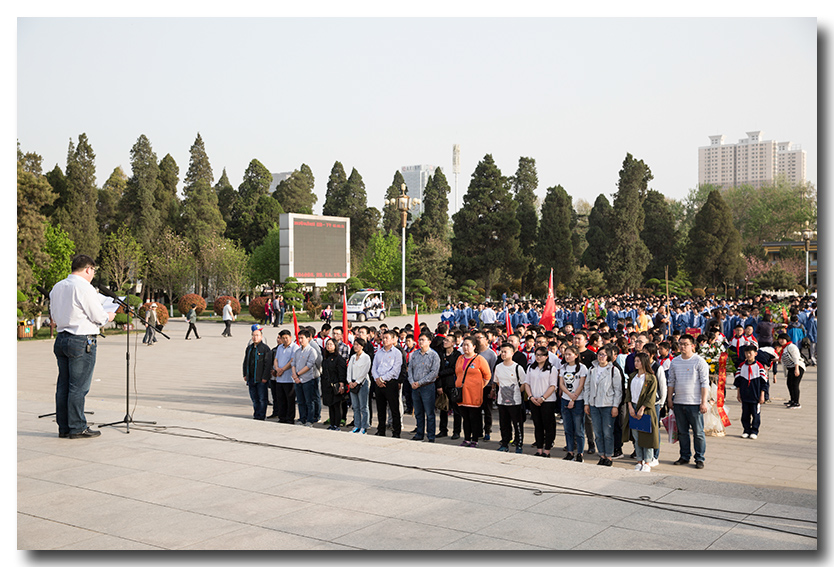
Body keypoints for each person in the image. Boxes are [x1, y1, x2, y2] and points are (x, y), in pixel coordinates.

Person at [50, 254, 117, 439]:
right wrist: (109, 316)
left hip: (62, 338)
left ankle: (64, 427)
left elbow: (54, 315)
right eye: (93, 271)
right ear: (88, 269)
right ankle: (78, 427)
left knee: (63, 386)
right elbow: (99, 317)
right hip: (81, 340)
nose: (93, 274)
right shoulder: (84, 287)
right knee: (78, 387)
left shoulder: (57, 286)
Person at [666, 334, 710, 469]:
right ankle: (684, 456)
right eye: (680, 344)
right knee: (682, 432)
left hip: (695, 403)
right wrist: (669, 398)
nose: (682, 347)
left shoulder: (699, 361)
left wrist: (703, 402)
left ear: (693, 346)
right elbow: (671, 381)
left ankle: (699, 458)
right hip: (679, 402)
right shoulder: (675, 361)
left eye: (685, 344)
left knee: (698, 433)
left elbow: (704, 383)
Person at [584, 344, 623, 466]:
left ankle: (609, 456)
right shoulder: (592, 369)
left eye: (603, 355)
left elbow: (618, 390)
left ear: (609, 356)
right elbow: (587, 387)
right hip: (594, 404)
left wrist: (615, 406)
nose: (601, 357)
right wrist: (586, 403)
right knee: (598, 432)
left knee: (607, 432)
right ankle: (601, 455)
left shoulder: (613, 370)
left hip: (608, 404)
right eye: (599, 354)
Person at [622, 352, 659, 472]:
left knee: (647, 437)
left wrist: (642, 408)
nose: (636, 363)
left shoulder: (651, 378)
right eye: (635, 361)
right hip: (633, 407)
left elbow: (651, 396)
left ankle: (647, 461)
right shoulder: (633, 376)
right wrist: (630, 407)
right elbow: (629, 393)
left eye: (638, 361)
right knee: (636, 437)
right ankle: (639, 460)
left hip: (646, 409)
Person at [455, 336, 492, 447]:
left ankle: (474, 439)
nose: (465, 347)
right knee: (465, 418)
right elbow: (457, 373)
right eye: (464, 345)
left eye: (468, 345)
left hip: (474, 394)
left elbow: (487, 376)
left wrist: (479, 386)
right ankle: (466, 438)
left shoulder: (479, 359)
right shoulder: (460, 358)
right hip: (462, 394)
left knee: (474, 418)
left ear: (474, 346)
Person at [526, 346, 559, 457]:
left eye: (541, 355)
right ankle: (539, 449)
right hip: (533, 400)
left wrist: (543, 398)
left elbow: (553, 385)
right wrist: (531, 397)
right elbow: (527, 383)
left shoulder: (551, 369)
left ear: (546, 357)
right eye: (537, 355)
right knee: (537, 425)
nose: (538, 357)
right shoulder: (531, 368)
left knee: (548, 425)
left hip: (548, 401)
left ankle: (547, 450)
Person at [494, 343, 527, 453]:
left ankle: (519, 444)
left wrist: (516, 392)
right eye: (501, 352)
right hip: (502, 401)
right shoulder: (498, 367)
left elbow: (524, 383)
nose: (503, 354)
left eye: (505, 352)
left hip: (515, 402)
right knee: (504, 424)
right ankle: (504, 443)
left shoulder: (518, 368)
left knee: (517, 424)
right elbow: (497, 382)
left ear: (512, 353)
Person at [408, 332, 441, 442]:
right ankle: (419, 433)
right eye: (419, 340)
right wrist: (412, 382)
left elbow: (433, 373)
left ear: (429, 342)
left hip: (427, 387)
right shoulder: (415, 354)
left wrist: (420, 382)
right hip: (415, 387)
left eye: (423, 340)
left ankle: (431, 436)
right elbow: (410, 369)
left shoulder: (434, 355)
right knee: (418, 412)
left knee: (429, 413)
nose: (420, 342)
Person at [559, 346, 589, 462]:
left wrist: (573, 398)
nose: (567, 356)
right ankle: (570, 452)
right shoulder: (563, 367)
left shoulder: (582, 368)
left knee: (579, 429)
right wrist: (568, 395)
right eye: (566, 354)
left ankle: (580, 453)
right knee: (568, 428)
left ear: (576, 355)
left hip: (578, 400)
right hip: (565, 399)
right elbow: (561, 384)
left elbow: (581, 385)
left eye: (570, 354)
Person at [372, 330, 404, 437]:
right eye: (383, 338)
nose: (384, 340)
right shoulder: (378, 353)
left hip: (390, 383)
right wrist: (377, 379)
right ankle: (381, 430)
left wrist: (383, 379)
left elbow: (395, 370)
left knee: (394, 408)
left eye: (387, 338)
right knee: (380, 409)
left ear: (393, 339)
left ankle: (396, 431)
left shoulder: (397, 353)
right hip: (378, 383)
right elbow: (374, 368)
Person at [734, 344, 768, 438]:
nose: (748, 355)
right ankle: (746, 430)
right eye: (746, 353)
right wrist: (738, 394)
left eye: (750, 353)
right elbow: (738, 381)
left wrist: (762, 395)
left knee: (755, 414)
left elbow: (764, 382)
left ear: (755, 354)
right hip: (745, 394)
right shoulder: (741, 366)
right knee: (745, 414)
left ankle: (754, 431)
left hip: (755, 394)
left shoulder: (759, 366)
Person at [243, 326, 273, 420]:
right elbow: (246, 362)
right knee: (254, 398)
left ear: (261, 337)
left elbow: (268, 364)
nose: (255, 337)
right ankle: (256, 414)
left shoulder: (265, 348)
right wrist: (245, 374)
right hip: (251, 378)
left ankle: (261, 415)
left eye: (257, 335)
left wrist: (265, 377)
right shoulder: (249, 348)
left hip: (261, 379)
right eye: (253, 335)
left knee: (262, 398)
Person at [291, 329, 320, 426]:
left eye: (302, 338)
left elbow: (309, 365)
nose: (300, 340)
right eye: (299, 338)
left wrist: (298, 374)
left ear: (308, 338)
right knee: (300, 401)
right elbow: (293, 364)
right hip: (297, 380)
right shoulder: (297, 351)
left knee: (309, 401)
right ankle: (302, 418)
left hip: (307, 379)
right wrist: (295, 376)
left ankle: (309, 420)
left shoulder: (312, 351)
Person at [437, 334, 462, 439]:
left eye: (447, 340)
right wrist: (439, 386)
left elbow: (454, 369)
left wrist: (441, 373)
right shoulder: (440, 354)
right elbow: (437, 369)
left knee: (456, 410)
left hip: (453, 385)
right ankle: (443, 430)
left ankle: (456, 431)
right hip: (442, 385)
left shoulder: (457, 355)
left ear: (453, 343)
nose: (444, 342)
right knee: (443, 408)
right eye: (444, 340)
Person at [320, 338, 348, 431]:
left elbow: (341, 373)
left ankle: (337, 424)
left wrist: (341, 385)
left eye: (331, 344)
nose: (329, 346)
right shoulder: (326, 358)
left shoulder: (339, 359)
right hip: (327, 385)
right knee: (330, 405)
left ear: (335, 346)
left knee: (337, 405)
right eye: (327, 344)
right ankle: (332, 424)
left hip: (336, 385)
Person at [271, 329, 297, 423]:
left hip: (289, 378)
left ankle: (290, 418)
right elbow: (276, 359)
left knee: (290, 400)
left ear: (290, 337)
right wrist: (277, 368)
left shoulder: (294, 347)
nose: (285, 340)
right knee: (280, 399)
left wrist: (282, 369)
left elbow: (292, 361)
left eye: (287, 338)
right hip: (279, 378)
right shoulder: (280, 347)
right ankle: (282, 417)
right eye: (283, 338)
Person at [347, 338, 372, 433]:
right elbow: (349, 370)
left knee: (363, 406)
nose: (355, 346)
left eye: (357, 345)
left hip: (362, 383)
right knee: (355, 406)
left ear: (362, 346)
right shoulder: (353, 357)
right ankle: (357, 425)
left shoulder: (366, 357)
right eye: (354, 344)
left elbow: (364, 371)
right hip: (352, 382)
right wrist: (349, 381)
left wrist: (357, 382)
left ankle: (364, 426)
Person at [778, 332, 806, 409]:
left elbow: (796, 358)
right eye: (780, 339)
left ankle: (796, 403)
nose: (781, 341)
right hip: (790, 368)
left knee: (795, 385)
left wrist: (797, 369)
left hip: (797, 367)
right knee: (789, 384)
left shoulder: (791, 347)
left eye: (783, 339)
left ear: (787, 339)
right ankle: (792, 400)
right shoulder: (784, 348)